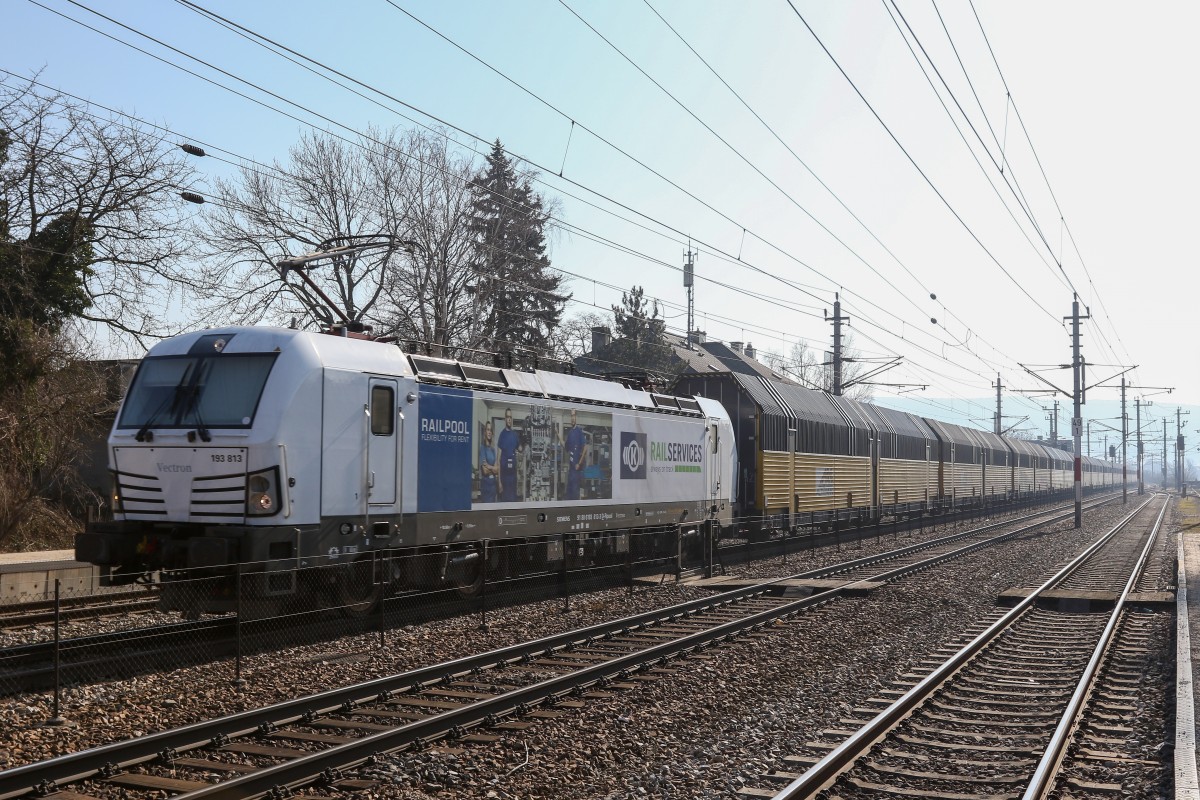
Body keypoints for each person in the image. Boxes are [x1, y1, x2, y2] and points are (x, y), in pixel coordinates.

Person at [497, 408, 522, 502]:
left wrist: (523, 442)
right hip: (504, 478)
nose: (509, 419)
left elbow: (520, 449)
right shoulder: (502, 435)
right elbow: (498, 460)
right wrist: (499, 481)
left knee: (513, 504)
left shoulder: (515, 435)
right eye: (507, 417)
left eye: (510, 417)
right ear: (505, 419)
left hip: (513, 478)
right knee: (505, 505)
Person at [564, 409, 589, 500]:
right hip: (571, 470)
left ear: (576, 417)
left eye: (574, 416)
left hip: (576, 470)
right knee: (569, 493)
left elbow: (585, 447)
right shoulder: (570, 433)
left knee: (574, 493)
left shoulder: (579, 432)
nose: (572, 418)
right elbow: (566, 447)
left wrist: (579, 463)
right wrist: (558, 435)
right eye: (571, 416)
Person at [478, 421, 498, 503]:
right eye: (487, 430)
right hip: (486, 485)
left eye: (490, 430)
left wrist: (489, 467)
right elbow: (485, 471)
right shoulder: (482, 448)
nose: (489, 432)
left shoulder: (493, 450)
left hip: (493, 485)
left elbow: (497, 470)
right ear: (485, 432)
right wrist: (494, 469)